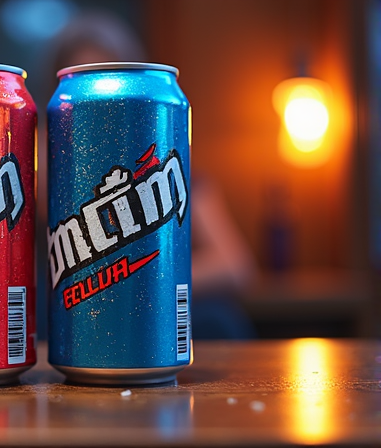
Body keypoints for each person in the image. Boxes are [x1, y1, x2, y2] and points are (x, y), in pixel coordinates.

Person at [37, 10, 257, 339]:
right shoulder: (49, 155)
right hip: (78, 305)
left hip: (157, 309)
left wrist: (140, 282)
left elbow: (234, 265)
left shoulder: (168, 162)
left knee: (220, 320)